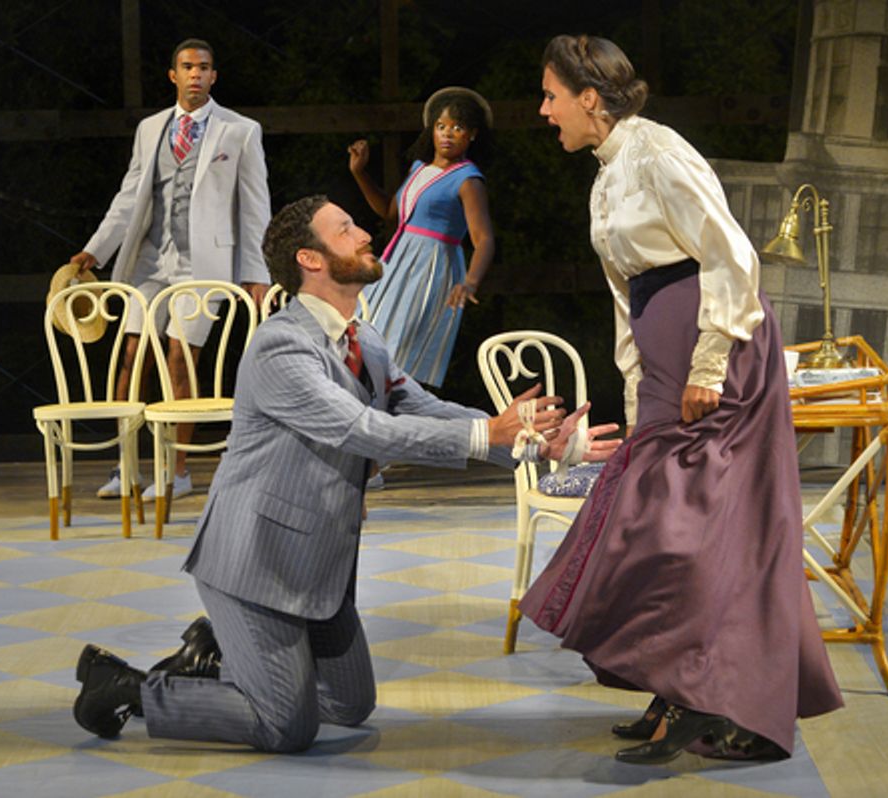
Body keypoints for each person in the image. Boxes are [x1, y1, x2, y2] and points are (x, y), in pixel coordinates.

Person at [70, 195, 620, 752]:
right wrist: (487, 435)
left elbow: (421, 409)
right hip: (254, 562)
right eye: (346, 229)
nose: (363, 234)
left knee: (349, 706)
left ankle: (214, 658)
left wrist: (541, 446)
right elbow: (363, 429)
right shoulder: (280, 345)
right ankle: (131, 688)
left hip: (318, 564)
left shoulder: (365, 339)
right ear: (311, 259)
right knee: (286, 727)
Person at [517, 35, 844, 765]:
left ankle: (702, 697)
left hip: (717, 355)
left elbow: (730, 253)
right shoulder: (606, 175)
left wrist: (708, 364)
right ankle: (681, 690)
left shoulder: (658, 153)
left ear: (589, 98)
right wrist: (639, 386)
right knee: (678, 527)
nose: (543, 111)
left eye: (550, 95)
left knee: (687, 530)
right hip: (667, 363)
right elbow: (625, 297)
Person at [70, 38, 272, 503]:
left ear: (214, 76)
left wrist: (255, 270)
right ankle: (125, 467)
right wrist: (94, 251)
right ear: (173, 75)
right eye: (188, 67)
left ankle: (177, 470)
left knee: (182, 357)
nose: (196, 74)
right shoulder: (151, 129)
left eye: (204, 67)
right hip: (150, 261)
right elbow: (129, 197)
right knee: (131, 357)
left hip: (204, 265)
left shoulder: (239, 131)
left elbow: (255, 208)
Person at [347, 86, 494, 389]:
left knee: (402, 344)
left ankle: (397, 417)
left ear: (472, 135)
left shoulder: (467, 179)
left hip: (430, 267)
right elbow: (391, 212)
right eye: (441, 126)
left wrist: (470, 282)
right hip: (398, 260)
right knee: (368, 331)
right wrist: (360, 172)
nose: (447, 134)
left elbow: (484, 239)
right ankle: (367, 412)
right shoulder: (419, 168)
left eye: (457, 127)